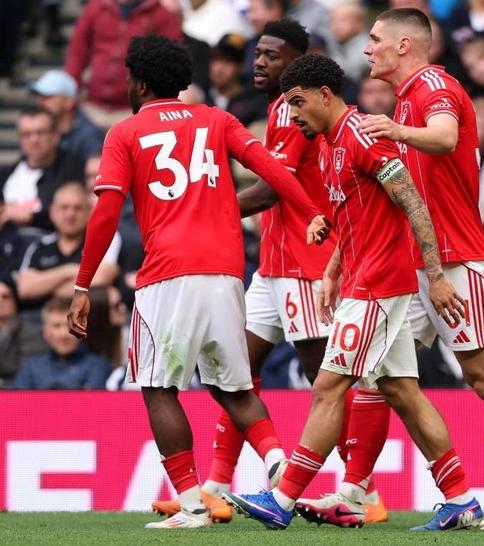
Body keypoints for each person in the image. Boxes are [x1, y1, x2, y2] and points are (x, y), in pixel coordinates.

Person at [301, 7, 484, 531]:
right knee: (379, 378)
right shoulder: (402, 101)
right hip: (407, 263)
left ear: (403, 45)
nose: (367, 47)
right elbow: (388, 199)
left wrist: (396, 128)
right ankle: (354, 493)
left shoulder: (434, 85)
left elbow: (444, 136)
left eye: (375, 38)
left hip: (454, 260)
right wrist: (337, 260)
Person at [66, 35, 329, 530]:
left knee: (158, 388)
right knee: (235, 389)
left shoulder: (125, 132)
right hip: (226, 273)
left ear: (140, 83)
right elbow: (271, 170)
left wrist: (83, 285)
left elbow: (105, 213)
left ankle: (191, 507)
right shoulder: (217, 119)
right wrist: (311, 209)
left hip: (167, 276)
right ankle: (277, 461)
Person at [224, 52, 483, 532]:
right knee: (401, 391)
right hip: (363, 280)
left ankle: (282, 498)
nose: (292, 114)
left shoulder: (362, 135)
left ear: (325, 95)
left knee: (328, 386)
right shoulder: (328, 144)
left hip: (379, 286)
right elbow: (359, 216)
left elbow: (412, 202)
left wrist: (436, 275)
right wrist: (333, 267)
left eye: (298, 102)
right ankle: (461, 498)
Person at [152, 17, 383, 525]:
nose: (259, 63)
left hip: (307, 263)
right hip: (273, 265)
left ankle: (361, 488)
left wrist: (201, 210)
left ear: (299, 61)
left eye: (271, 55)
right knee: (229, 370)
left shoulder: (298, 112)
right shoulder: (280, 109)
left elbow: (275, 186)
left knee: (326, 376)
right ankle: (217, 485)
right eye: (258, 54)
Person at [64, 0, 182, 130]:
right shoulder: (96, 7)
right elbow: (77, 52)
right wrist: (70, 89)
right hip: (91, 107)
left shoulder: (159, 13)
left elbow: (172, 60)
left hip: (133, 110)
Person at [17, 182, 120, 318]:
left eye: (78, 208)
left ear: (90, 212)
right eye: (64, 208)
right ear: (53, 212)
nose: (70, 214)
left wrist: (46, 287)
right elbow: (25, 288)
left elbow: (101, 278)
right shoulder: (40, 246)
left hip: (87, 320)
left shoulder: (103, 239)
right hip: (41, 321)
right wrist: (69, 271)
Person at [0, 107, 85, 231]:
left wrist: (31, 217)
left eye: (40, 133)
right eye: (26, 134)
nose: (34, 140)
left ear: (55, 135)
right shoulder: (5, 175)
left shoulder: (75, 168)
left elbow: (78, 213)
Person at [12, 296, 111, 389]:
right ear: (45, 332)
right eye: (57, 326)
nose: (64, 334)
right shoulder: (31, 367)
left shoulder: (98, 366)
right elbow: (18, 400)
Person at [29, 70, 105, 161]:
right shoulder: (36, 132)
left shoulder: (89, 136)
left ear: (69, 102)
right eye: (38, 96)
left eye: (48, 96)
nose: (40, 102)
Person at [0, 276, 47, 387]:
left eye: (5, 296)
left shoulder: (31, 333)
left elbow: (27, 372)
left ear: (15, 299)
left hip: (17, 392)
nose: (0, 301)